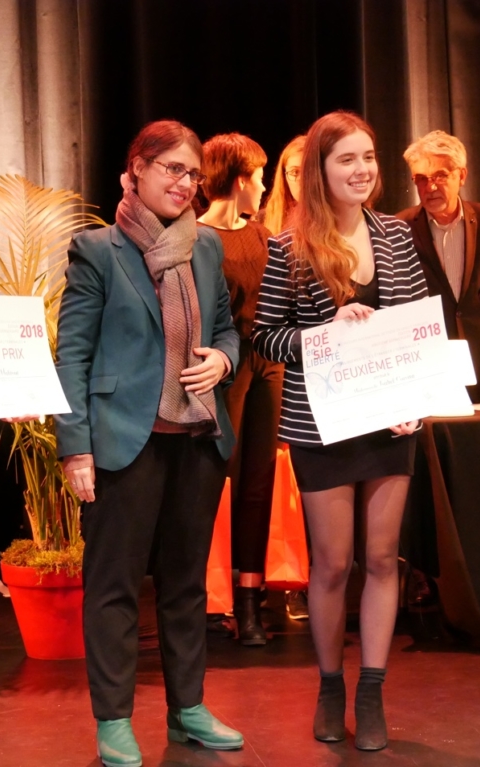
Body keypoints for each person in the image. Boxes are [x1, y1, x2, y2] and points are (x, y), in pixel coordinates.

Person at [55, 120, 243, 767]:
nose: (184, 183)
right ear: (135, 170)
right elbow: (72, 355)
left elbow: (227, 328)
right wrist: (75, 447)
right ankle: (113, 720)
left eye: (193, 173)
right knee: (113, 586)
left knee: (186, 585)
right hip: (122, 441)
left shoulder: (208, 246)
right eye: (171, 169)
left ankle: (188, 707)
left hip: (197, 439)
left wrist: (223, 359)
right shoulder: (97, 250)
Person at [252, 110, 427, 750]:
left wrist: (417, 400)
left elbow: (419, 328)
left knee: (381, 558)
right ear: (319, 171)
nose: (361, 170)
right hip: (323, 425)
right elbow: (265, 336)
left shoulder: (398, 236)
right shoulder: (288, 246)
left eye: (368, 157)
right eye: (346, 159)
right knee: (332, 563)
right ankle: (330, 686)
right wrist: (322, 333)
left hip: (391, 423)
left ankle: (371, 691)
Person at [197, 133, 283, 646]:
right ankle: (209, 601)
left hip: (268, 365)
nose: (265, 186)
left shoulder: (263, 235)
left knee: (258, 482)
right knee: (216, 479)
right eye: (259, 177)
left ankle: (250, 602)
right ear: (239, 180)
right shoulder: (196, 237)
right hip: (223, 369)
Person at [396, 130, 480, 403]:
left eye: (440, 176)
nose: (430, 187)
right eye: (421, 179)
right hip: (429, 379)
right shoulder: (398, 229)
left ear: (462, 175)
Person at [259, 133, 311, 620]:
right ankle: (277, 579)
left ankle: (301, 577)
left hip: (316, 380)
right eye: (292, 171)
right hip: (270, 369)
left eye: (306, 169)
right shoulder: (267, 229)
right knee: (274, 479)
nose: (300, 179)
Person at [261, 134, 306, 236]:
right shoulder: (263, 219)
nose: (302, 180)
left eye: (307, 171)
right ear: (284, 176)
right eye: (295, 172)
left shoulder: (337, 217)